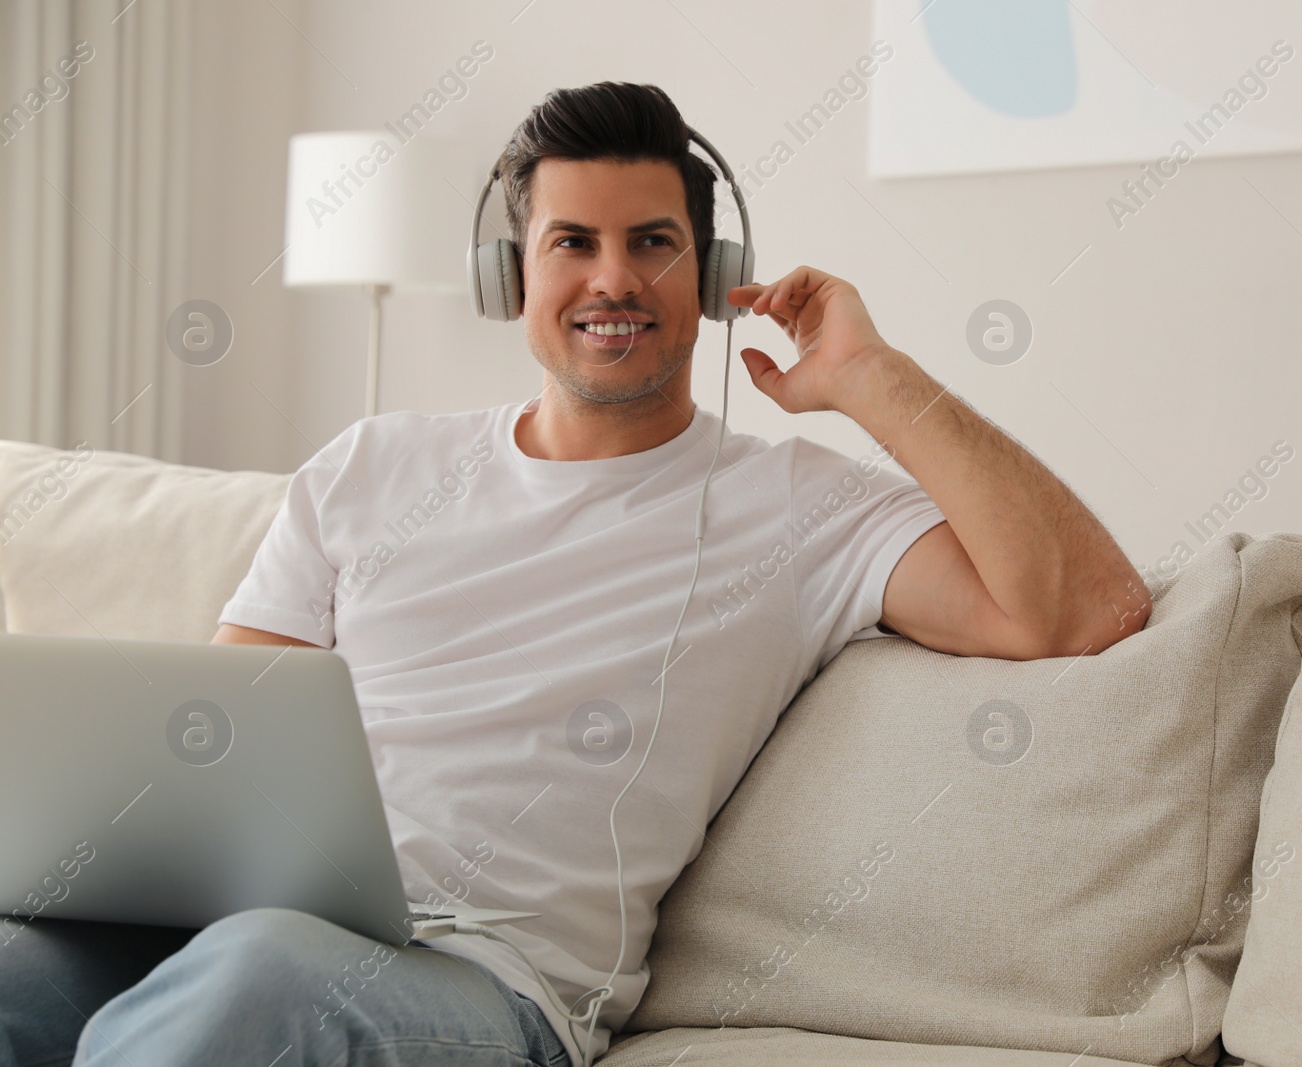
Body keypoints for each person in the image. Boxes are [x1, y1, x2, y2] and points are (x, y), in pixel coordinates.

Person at [0, 81, 1149, 1067]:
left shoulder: (793, 505)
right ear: (509, 273)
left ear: (713, 274)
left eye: (653, 241)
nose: (615, 279)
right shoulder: (369, 466)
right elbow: (219, 743)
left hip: (486, 981)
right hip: (249, 929)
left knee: (252, 979)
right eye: (573, 243)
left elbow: (1084, 607)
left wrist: (872, 375)